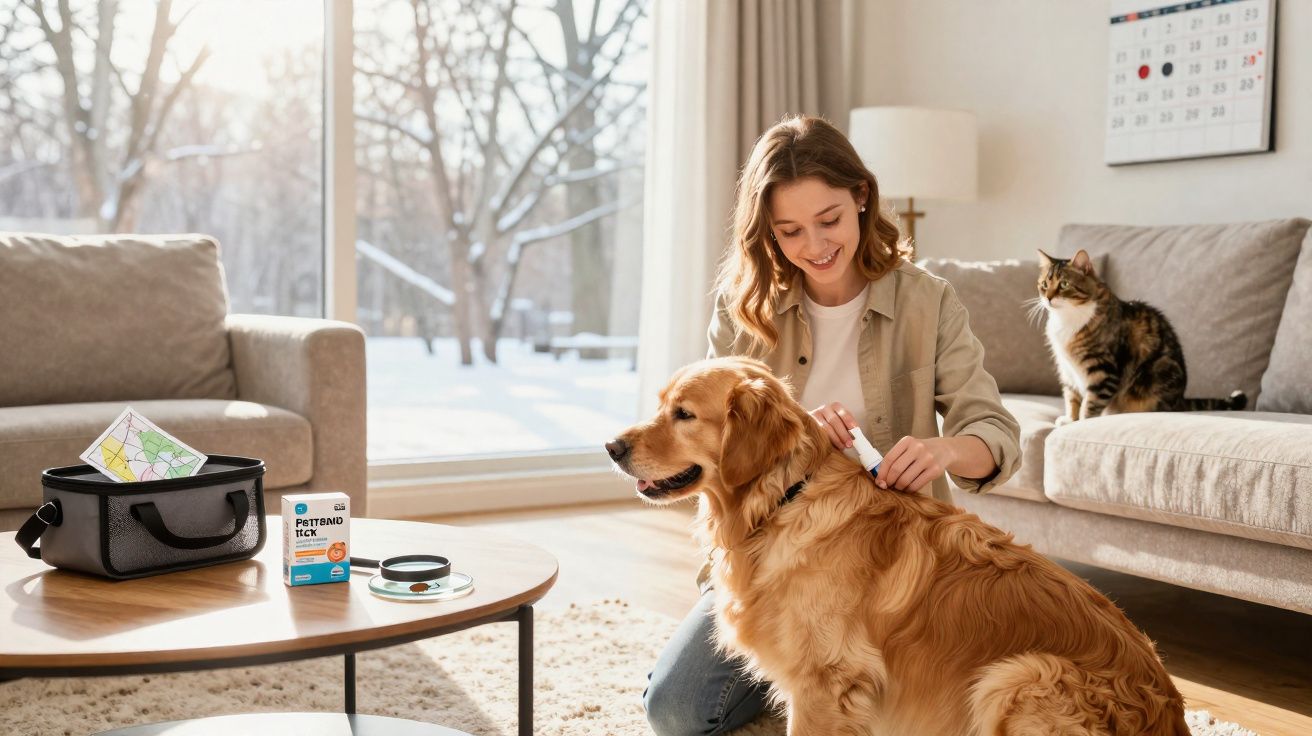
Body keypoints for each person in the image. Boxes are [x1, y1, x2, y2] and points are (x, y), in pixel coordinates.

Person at [642, 114, 1022, 735]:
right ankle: (808, 680)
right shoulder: (742, 310)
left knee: (924, 706)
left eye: (829, 221)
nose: (814, 245)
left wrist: (944, 450)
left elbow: (996, 434)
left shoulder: (927, 302)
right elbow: (713, 449)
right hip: (769, 561)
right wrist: (788, 434)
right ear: (766, 230)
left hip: (886, 573)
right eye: (789, 230)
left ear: (862, 199)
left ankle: (824, 682)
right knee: (679, 710)